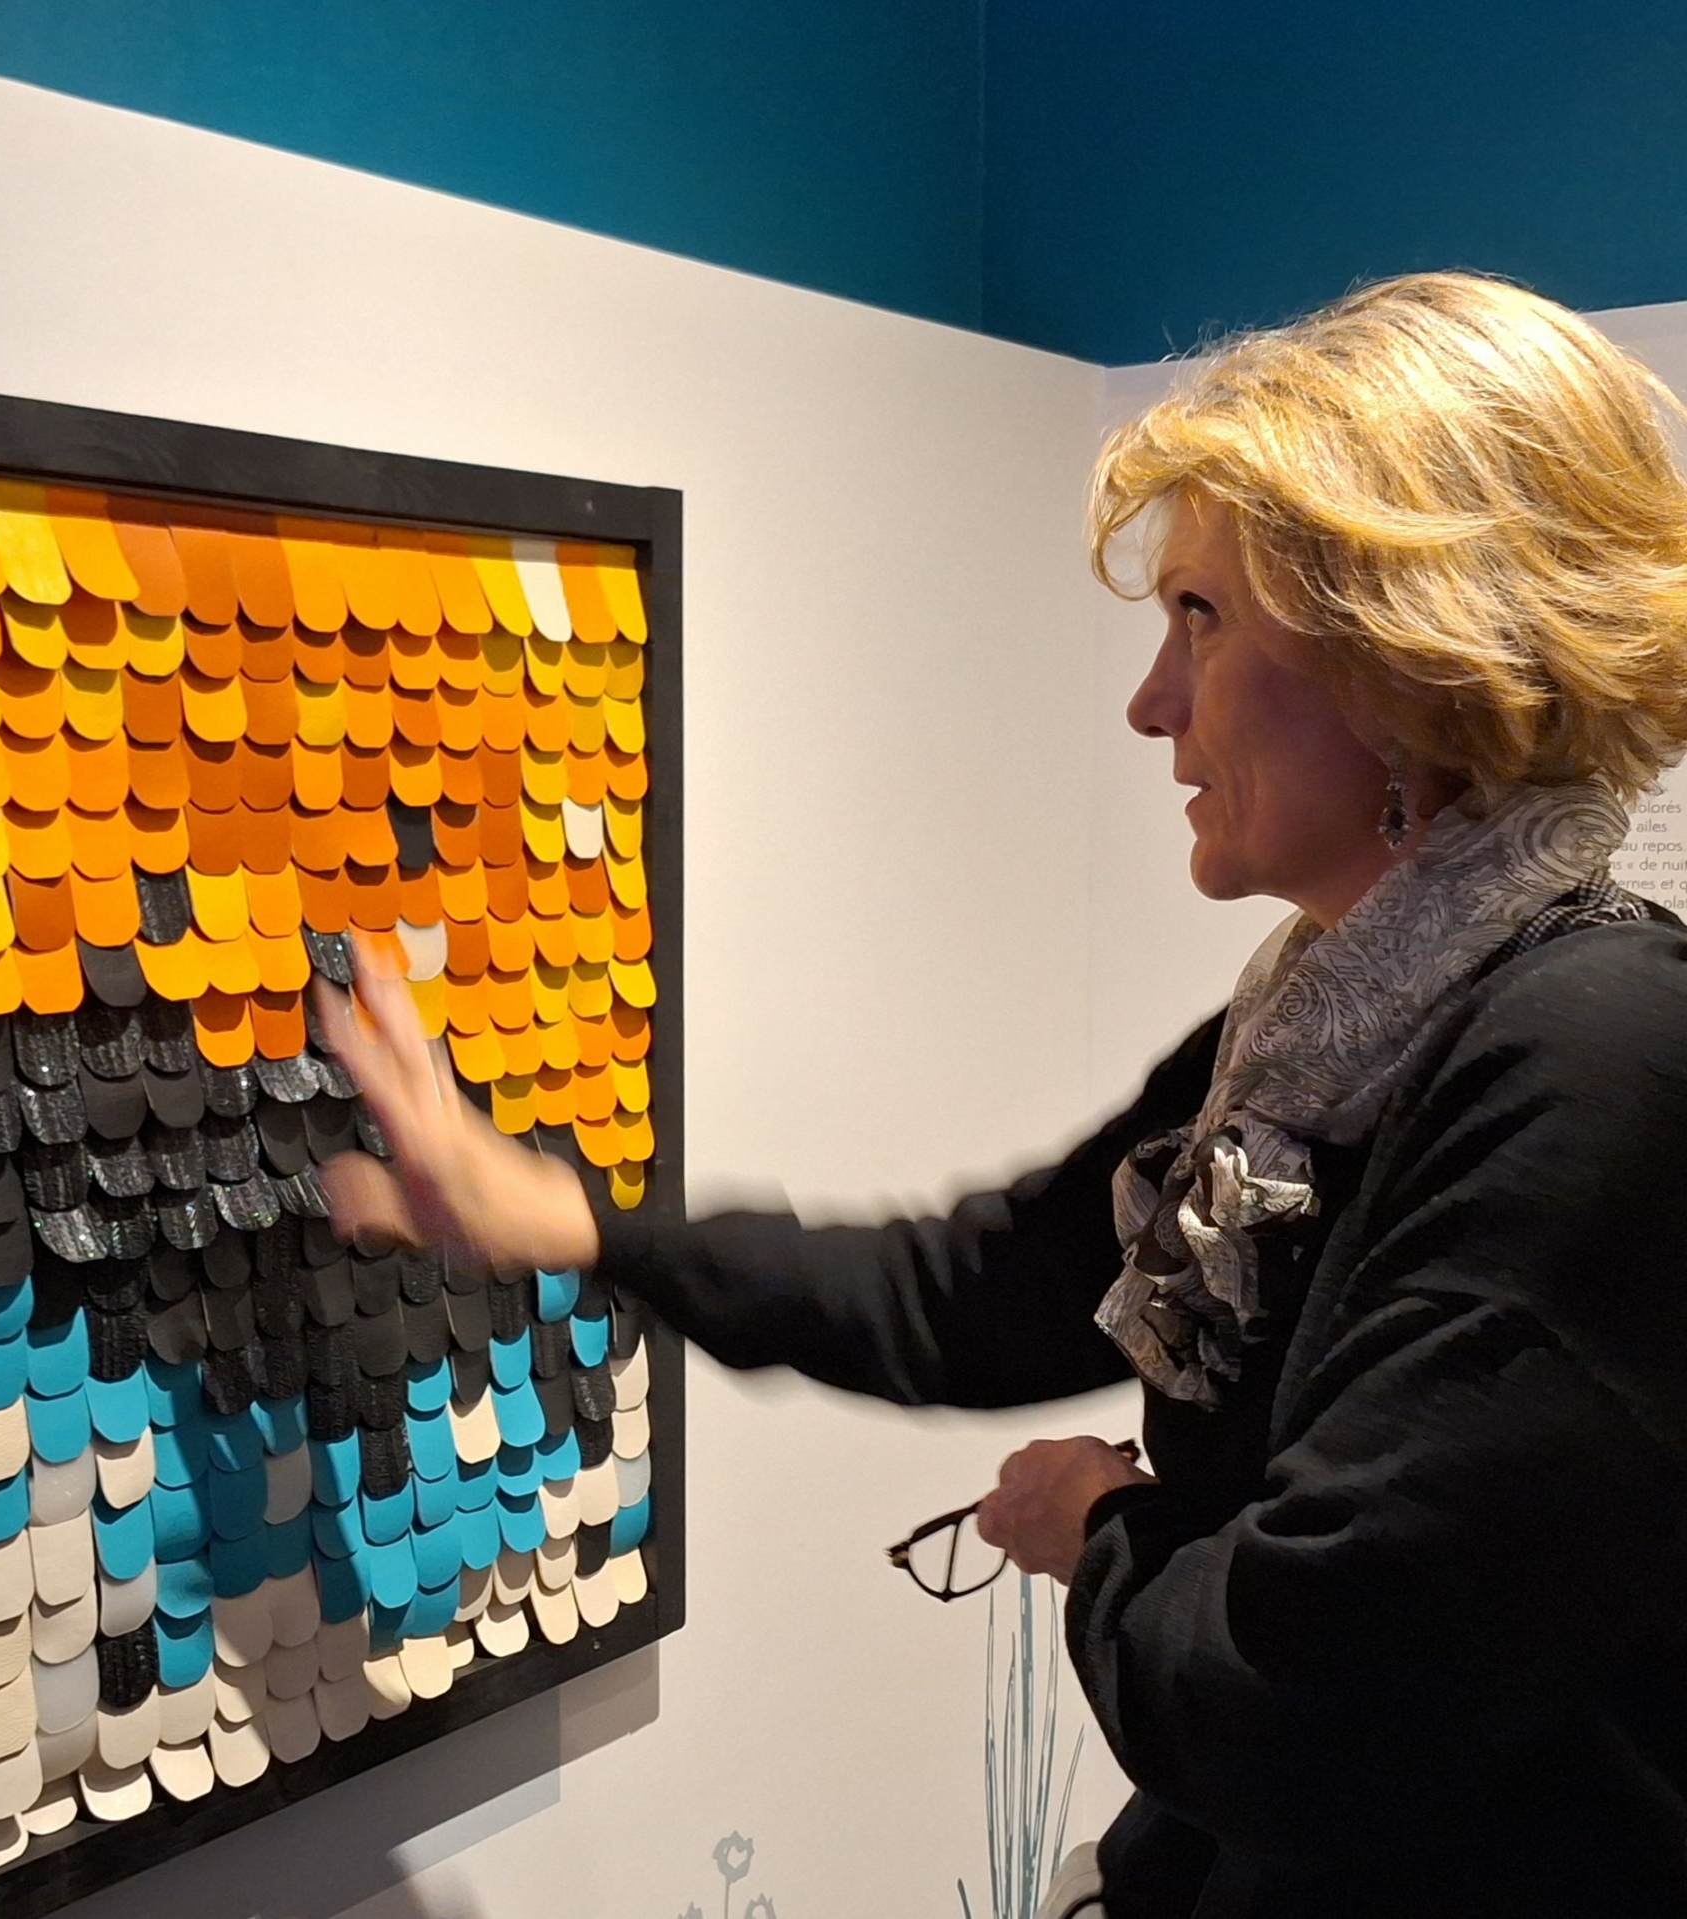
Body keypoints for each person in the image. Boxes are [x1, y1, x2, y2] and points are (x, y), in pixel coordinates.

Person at [314, 273, 1687, 1919]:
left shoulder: (1592, 1062)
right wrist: (579, 1225)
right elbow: (978, 1294)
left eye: (1202, 618)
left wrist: (1099, 1523)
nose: (1151, 703)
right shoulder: (1323, 1027)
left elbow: (1297, 1705)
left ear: (1409, 657)